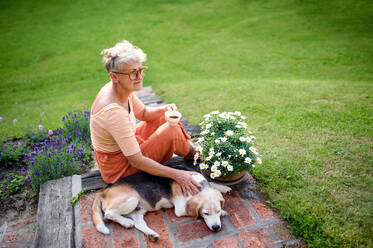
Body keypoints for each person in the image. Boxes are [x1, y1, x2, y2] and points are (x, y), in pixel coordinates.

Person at [90, 40, 201, 196]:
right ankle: (196, 154)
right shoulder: (113, 112)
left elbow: (144, 114)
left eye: (141, 69)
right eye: (133, 73)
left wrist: (164, 109)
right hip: (119, 169)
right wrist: (178, 175)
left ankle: (191, 150)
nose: (140, 76)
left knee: (165, 118)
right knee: (172, 130)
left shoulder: (120, 87)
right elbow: (136, 160)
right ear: (114, 76)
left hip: (128, 148)